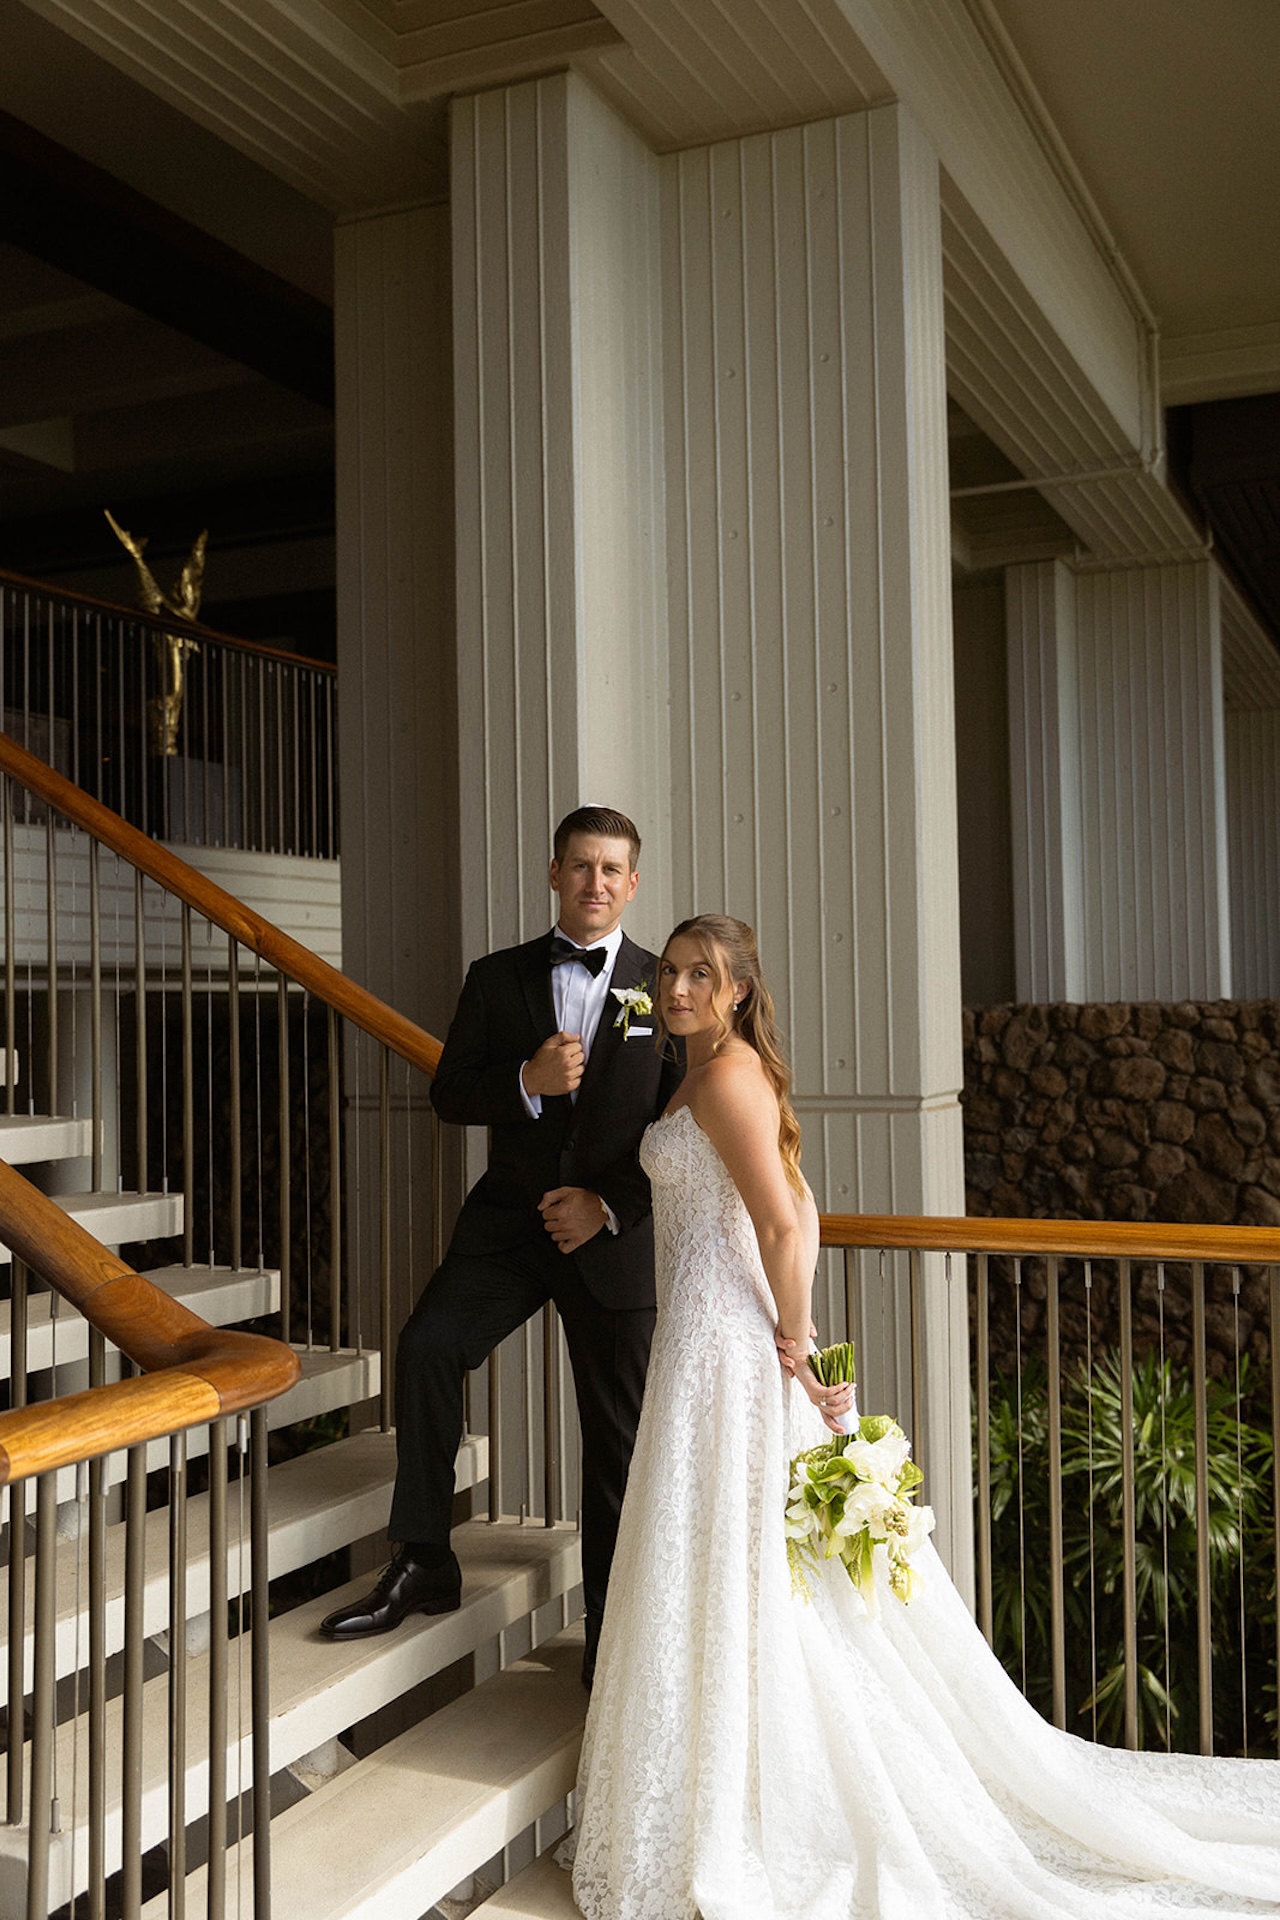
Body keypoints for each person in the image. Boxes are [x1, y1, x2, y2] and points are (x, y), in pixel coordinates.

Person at [568, 913, 1280, 1920]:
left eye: (698, 975)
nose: (677, 987)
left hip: (726, 1340)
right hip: (701, 1333)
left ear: (734, 992)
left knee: (732, 1556)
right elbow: (788, 1204)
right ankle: (707, 1772)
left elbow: (782, 1217)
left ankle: (745, 1793)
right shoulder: (697, 1070)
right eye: (672, 972)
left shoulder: (722, 1076)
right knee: (715, 1556)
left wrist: (794, 1337)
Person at [321, 806, 680, 1685]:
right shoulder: (496, 977)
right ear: (553, 873)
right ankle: (423, 1561)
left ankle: (613, 1643)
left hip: (609, 1236)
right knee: (428, 1346)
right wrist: (524, 1080)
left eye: (612, 870)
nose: (596, 883)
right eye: (581, 866)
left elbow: (686, 1129)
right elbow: (449, 1094)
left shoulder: (663, 990)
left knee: (617, 1447)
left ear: (632, 885)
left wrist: (608, 1205)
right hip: (509, 1229)